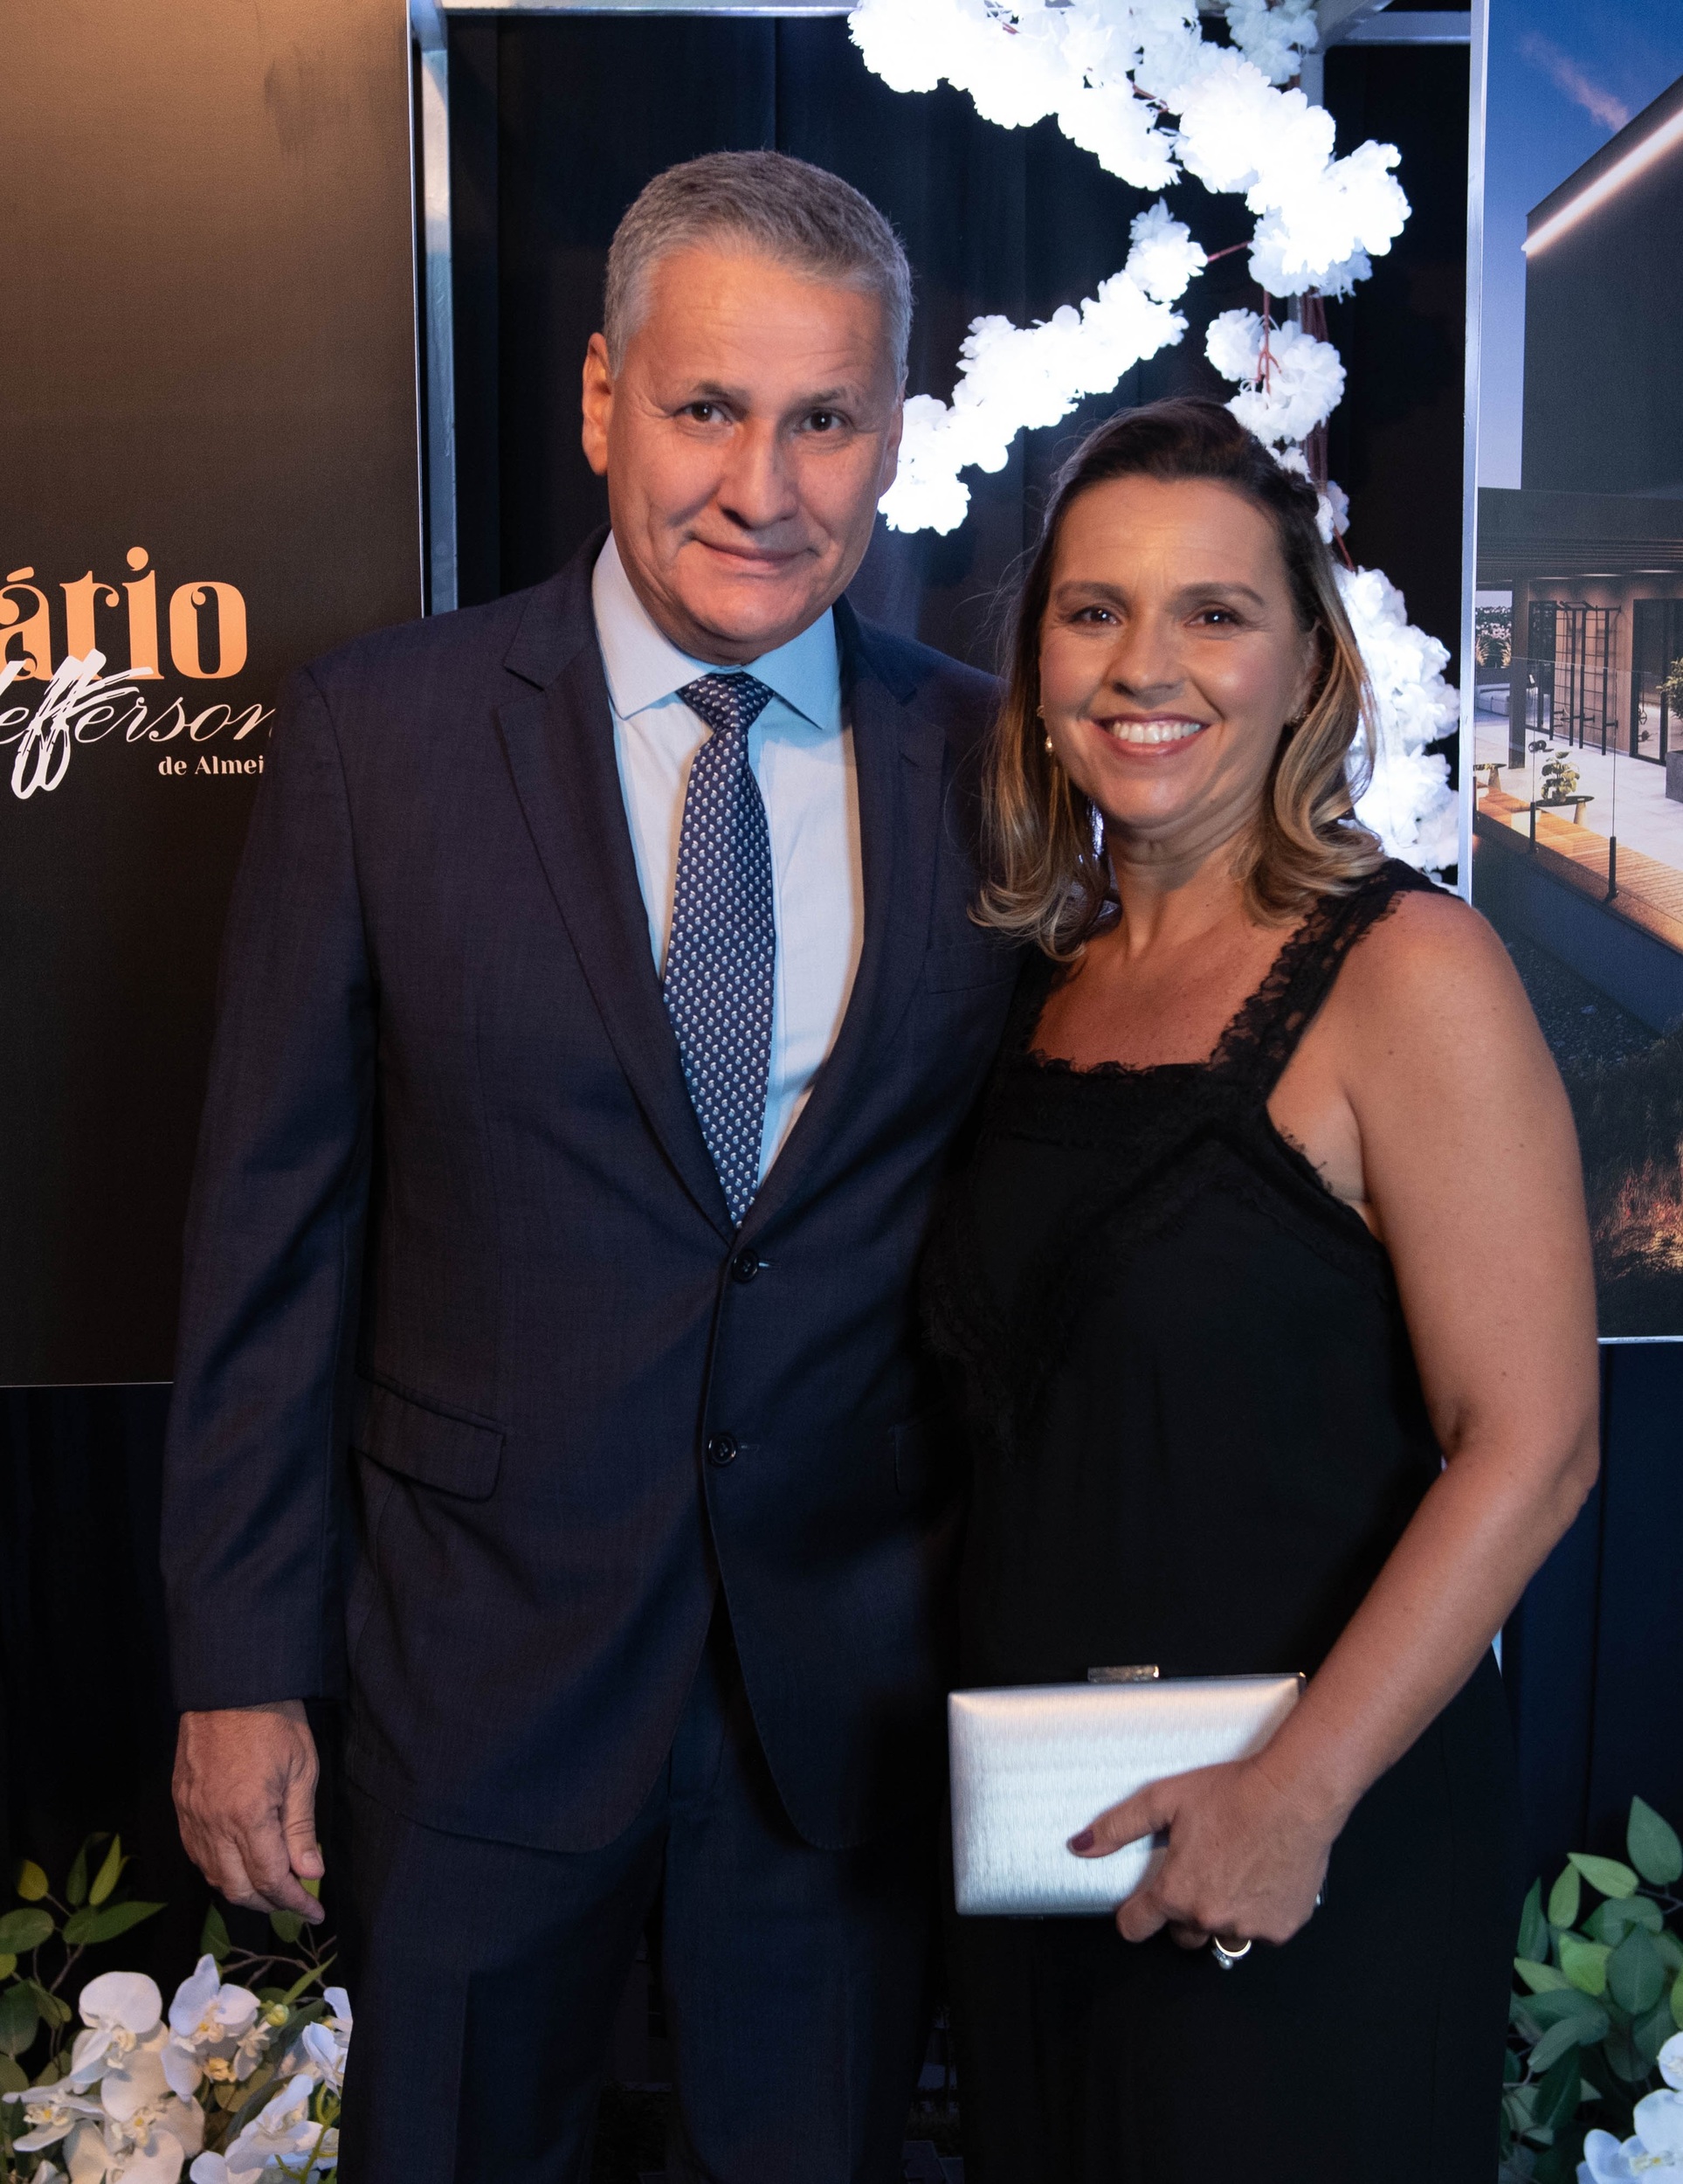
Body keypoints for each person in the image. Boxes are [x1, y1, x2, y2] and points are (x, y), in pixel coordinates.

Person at [160, 151, 1020, 2183]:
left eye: (824, 416)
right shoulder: (382, 736)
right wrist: (236, 1669)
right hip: (475, 1675)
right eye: (708, 406)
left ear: (890, 429)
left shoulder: (997, 766)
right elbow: (270, 1243)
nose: (766, 482)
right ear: (598, 399)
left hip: (844, 1713)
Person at [922, 397, 1599, 2182]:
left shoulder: (1408, 969)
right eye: (1093, 610)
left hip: (1305, 1863)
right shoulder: (1035, 980)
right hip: (1051, 1849)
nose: (1147, 664)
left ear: (1306, 657)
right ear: (1036, 656)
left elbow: (1529, 1441)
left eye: (1214, 611)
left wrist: (1291, 1797)